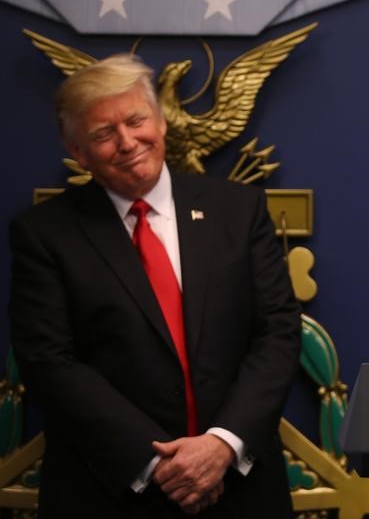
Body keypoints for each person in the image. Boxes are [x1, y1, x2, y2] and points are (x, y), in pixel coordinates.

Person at [8, 54, 301, 517]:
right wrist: (157, 464)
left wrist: (221, 445)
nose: (127, 142)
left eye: (136, 120)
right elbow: (49, 362)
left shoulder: (239, 212)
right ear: (78, 152)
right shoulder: (44, 234)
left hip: (240, 489)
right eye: (104, 134)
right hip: (110, 490)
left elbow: (278, 333)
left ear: (161, 122)